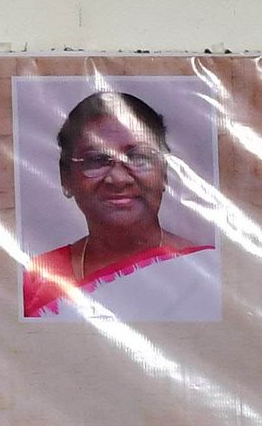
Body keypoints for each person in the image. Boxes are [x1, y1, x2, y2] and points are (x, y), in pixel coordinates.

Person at [20, 90, 219, 321]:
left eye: (139, 158)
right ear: (66, 178)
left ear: (164, 174)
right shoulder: (37, 280)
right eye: (96, 160)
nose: (118, 179)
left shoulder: (206, 271)